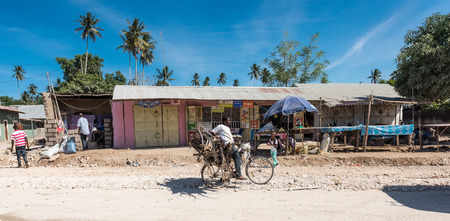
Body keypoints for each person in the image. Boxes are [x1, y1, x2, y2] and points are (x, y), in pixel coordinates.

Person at [211, 116, 247, 180]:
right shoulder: (221, 126)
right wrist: (216, 136)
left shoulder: (227, 128)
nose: (230, 122)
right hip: (227, 145)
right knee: (237, 157)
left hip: (231, 144)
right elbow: (212, 131)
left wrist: (237, 144)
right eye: (228, 121)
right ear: (224, 121)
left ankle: (224, 177)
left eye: (230, 120)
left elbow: (231, 139)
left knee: (227, 161)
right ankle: (239, 175)